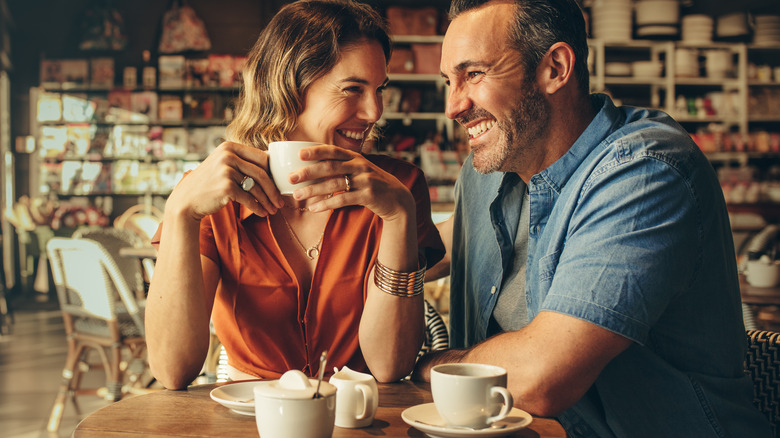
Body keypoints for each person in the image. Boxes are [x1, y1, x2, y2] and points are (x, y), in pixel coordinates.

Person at [415, 0, 772, 436]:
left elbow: (543, 378)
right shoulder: (487, 174)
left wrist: (431, 365)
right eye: (448, 81)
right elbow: (437, 246)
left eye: (474, 74)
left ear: (555, 68)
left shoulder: (643, 172)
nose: (453, 106)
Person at [145, 0, 444, 390]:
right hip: (250, 420)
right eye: (353, 89)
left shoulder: (398, 189)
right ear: (289, 86)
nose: (374, 111)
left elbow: (389, 365)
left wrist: (399, 215)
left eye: (379, 89)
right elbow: (171, 370)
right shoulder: (213, 194)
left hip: (361, 423)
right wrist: (181, 211)